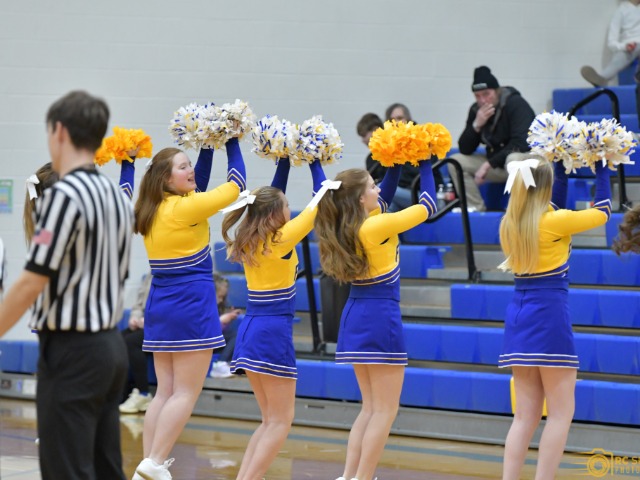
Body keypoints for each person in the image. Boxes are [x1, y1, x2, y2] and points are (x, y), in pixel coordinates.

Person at [0, 90, 133, 480]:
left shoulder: (64, 195)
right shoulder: (116, 197)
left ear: (58, 131)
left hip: (73, 351)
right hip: (110, 348)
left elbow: (32, 279)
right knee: (105, 468)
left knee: (66, 471)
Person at [314, 159, 437, 480]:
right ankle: (363, 477)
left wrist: (395, 162)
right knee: (384, 410)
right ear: (359, 199)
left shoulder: (353, 223)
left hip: (356, 312)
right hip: (380, 315)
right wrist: (426, 163)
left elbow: (386, 194)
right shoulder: (375, 227)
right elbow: (428, 206)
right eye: (372, 186)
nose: (378, 189)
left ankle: (350, 476)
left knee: (370, 408)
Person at [132, 138, 246, 479]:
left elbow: (199, 184)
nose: (191, 170)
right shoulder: (185, 209)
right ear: (167, 179)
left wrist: (207, 145)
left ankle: (147, 464)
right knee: (185, 392)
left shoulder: (153, 209)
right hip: (191, 303)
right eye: (183, 167)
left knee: (164, 392)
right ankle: (155, 462)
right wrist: (232, 139)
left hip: (161, 305)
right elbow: (237, 184)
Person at [497, 155, 611, 480]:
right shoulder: (554, 222)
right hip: (549, 316)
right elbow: (603, 211)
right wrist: (603, 166)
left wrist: (560, 164)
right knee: (561, 413)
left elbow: (553, 204)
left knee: (524, 416)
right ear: (544, 188)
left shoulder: (510, 223)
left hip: (519, 316)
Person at [221, 157, 328, 480]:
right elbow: (322, 198)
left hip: (251, 328)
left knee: (269, 420)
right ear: (274, 215)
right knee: (281, 421)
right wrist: (315, 160)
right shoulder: (282, 238)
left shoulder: (253, 236)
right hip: (271, 331)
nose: (291, 210)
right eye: (287, 206)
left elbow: (270, 197)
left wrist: (284, 161)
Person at [448, 66, 535, 212]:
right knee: (455, 162)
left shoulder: (515, 103)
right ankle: (475, 209)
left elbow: (522, 142)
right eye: (477, 96)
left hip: (524, 162)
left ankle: (521, 212)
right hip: (497, 165)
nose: (482, 100)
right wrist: (476, 125)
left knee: (513, 159)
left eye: (486, 94)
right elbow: (465, 149)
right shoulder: (476, 110)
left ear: (497, 91)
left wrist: (488, 164)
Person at [581, 0, 640, 87]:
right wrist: (624, 46)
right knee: (623, 55)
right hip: (630, 46)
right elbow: (612, 42)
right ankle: (601, 78)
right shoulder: (621, 11)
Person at [119, 273, 154, 414]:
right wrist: (135, 318)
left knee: (132, 341)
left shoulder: (176, 273)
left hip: (164, 325)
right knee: (118, 340)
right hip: (145, 323)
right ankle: (121, 393)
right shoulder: (150, 275)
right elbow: (139, 305)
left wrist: (150, 320)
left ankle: (143, 393)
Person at [209, 273, 243, 378]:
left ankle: (229, 363)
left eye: (223, 298)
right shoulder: (202, 308)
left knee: (239, 335)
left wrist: (228, 318)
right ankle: (220, 363)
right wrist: (220, 321)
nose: (220, 300)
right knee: (235, 335)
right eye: (219, 297)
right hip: (204, 344)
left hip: (215, 343)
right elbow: (205, 333)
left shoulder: (218, 307)